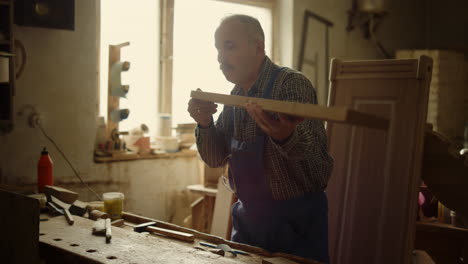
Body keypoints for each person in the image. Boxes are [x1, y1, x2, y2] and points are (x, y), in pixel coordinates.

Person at [187, 14, 333, 263]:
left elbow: (319, 174)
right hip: (249, 226)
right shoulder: (235, 98)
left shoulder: (291, 85)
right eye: (218, 49)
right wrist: (204, 123)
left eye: (229, 47)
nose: (221, 58)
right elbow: (214, 158)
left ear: (258, 47)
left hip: (295, 229)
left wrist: (287, 137)